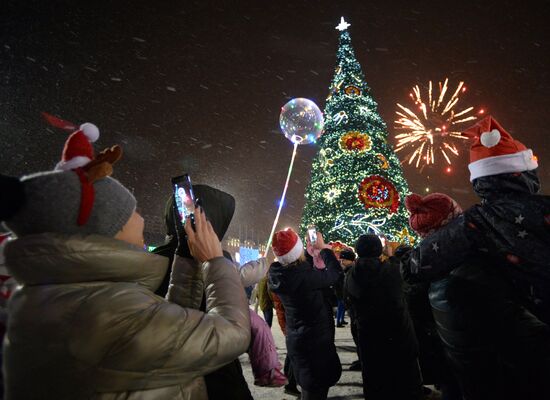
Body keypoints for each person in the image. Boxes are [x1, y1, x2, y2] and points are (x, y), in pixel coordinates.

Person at [0, 125, 250, 399]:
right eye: (129, 212)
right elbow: (230, 334)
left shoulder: (72, 297)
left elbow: (171, 328)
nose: (141, 218)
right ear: (104, 230)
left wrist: (187, 257)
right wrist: (214, 261)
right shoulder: (105, 314)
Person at [401, 115, 550, 325]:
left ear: (479, 181)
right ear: (525, 174)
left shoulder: (475, 221)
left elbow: (416, 266)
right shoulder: (544, 208)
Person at [402, 191, 550, 400]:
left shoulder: (425, 274)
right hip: (493, 380)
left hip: (456, 380)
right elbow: (525, 337)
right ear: (453, 224)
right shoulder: (470, 274)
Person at [345, 234, 422, 400]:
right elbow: (403, 269)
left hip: (369, 338)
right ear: (378, 250)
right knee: (404, 386)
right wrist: (391, 254)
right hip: (397, 337)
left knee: (376, 384)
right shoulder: (392, 270)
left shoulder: (351, 276)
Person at [269, 228, 342, 400]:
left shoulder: (282, 274)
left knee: (309, 386)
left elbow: (301, 271)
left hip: (298, 339)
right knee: (315, 390)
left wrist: (311, 255)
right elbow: (335, 274)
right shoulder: (305, 278)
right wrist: (324, 249)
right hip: (314, 344)